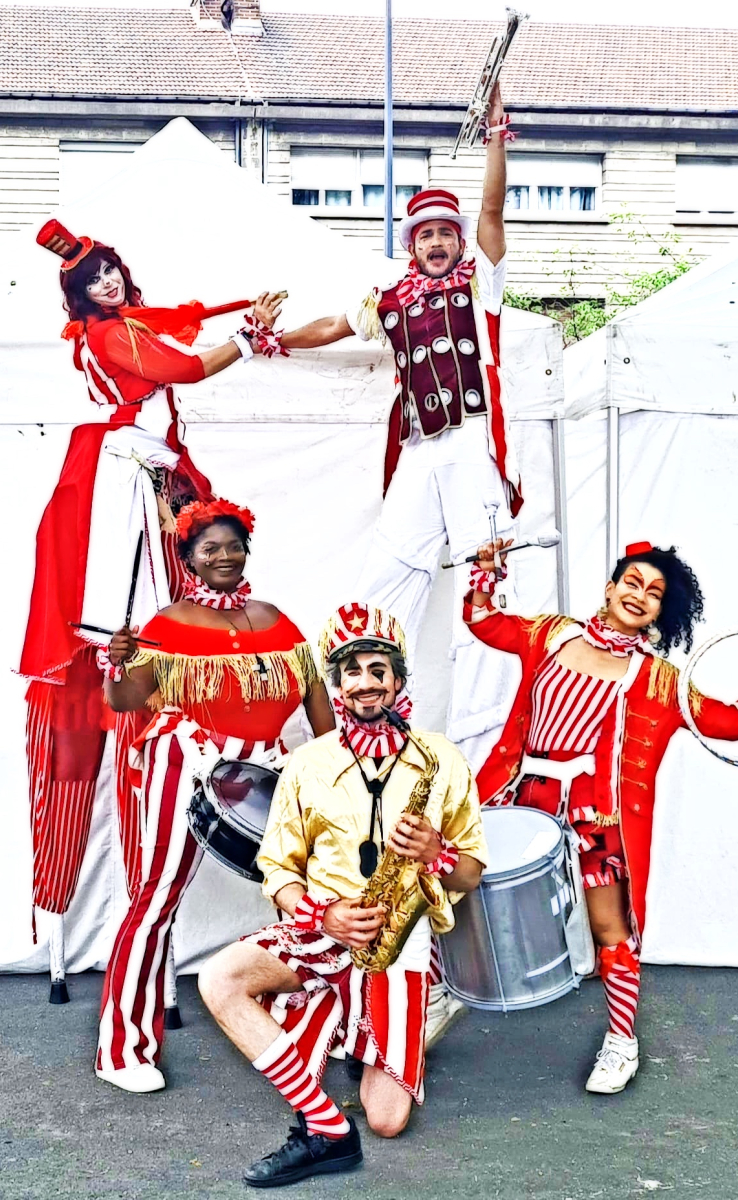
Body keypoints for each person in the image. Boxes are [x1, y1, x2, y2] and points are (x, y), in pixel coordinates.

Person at [20, 219, 285, 992]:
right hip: (131, 491)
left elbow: (176, 328)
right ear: (79, 296)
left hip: (152, 480)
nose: (105, 282)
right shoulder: (111, 337)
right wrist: (248, 335)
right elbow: (187, 366)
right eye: (91, 279)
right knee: (132, 628)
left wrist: (236, 318)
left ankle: (143, 943)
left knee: (166, 633)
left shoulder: (123, 326)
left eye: (109, 270)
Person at [197, 603, 486, 1187]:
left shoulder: (442, 759)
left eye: (379, 670)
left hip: (397, 939)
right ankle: (326, 1126)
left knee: (387, 1120)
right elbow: (276, 869)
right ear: (337, 683)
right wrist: (322, 914)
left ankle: (391, 1021)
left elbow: (471, 875)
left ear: (398, 680)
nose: (365, 683)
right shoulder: (307, 763)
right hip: (323, 930)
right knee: (218, 979)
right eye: (352, 671)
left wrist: (436, 851)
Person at [464, 537, 738, 1094]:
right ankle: (439, 994)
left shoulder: (660, 680)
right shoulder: (552, 634)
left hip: (599, 817)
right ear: (610, 588)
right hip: (522, 800)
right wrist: (485, 575)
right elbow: (485, 623)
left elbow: (721, 721)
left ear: (661, 611)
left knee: (610, 927)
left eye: (654, 593)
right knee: (464, 893)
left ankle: (621, 1041)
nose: (640, 595)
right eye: (632, 582)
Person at [93, 495, 334, 1093]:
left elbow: (314, 696)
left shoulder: (276, 619)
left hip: (269, 770)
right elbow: (124, 702)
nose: (224, 556)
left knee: (302, 897)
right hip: (185, 762)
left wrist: (333, 763)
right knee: (154, 898)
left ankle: (309, 1027)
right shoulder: (166, 624)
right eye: (209, 548)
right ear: (190, 559)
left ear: (246, 551)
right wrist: (117, 665)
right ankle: (122, 1050)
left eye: (233, 546)